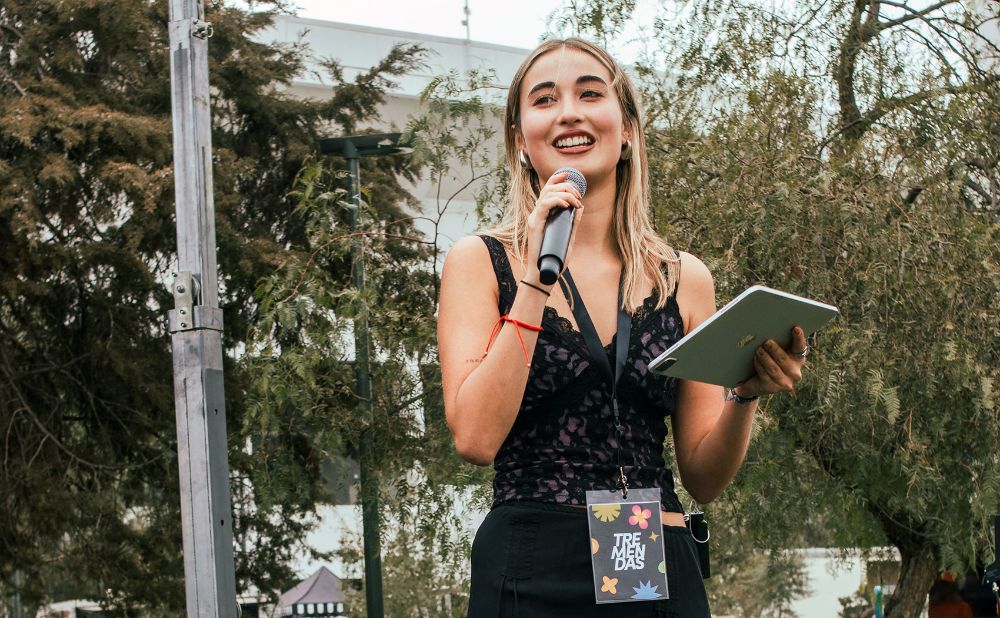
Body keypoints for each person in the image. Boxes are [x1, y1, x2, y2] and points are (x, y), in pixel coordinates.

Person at [437, 37, 809, 617]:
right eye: (544, 100)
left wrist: (743, 394)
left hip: (653, 558)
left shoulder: (683, 278)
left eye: (590, 93)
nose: (569, 112)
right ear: (520, 140)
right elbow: (475, 439)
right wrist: (536, 280)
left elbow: (703, 478)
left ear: (627, 127)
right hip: (531, 563)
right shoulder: (478, 261)